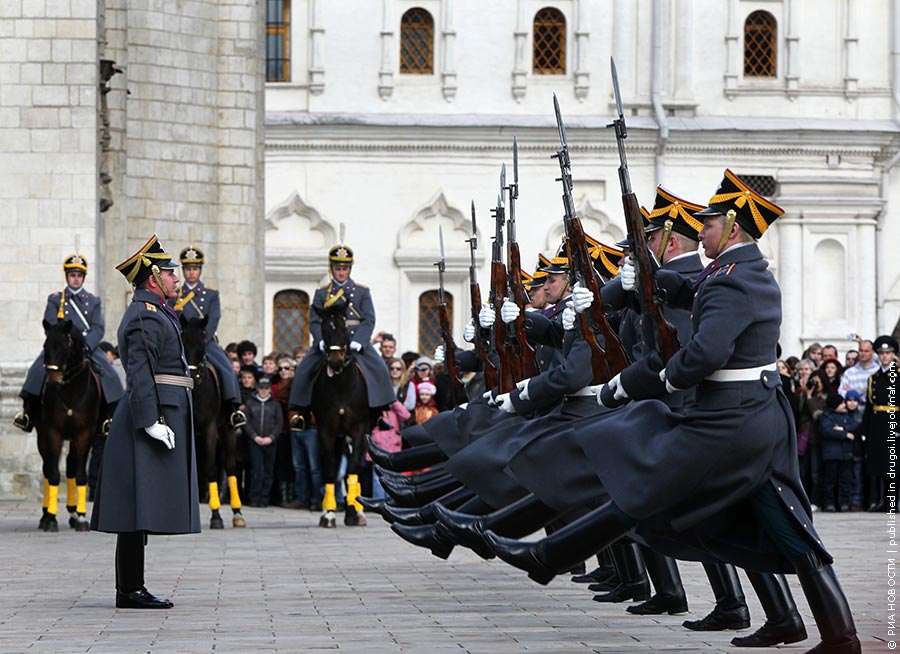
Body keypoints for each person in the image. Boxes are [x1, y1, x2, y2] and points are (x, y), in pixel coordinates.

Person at [485, 169, 859, 653]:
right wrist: (633, 278)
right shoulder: (735, 273)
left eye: (708, 224)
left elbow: (704, 354)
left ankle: (547, 555)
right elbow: (687, 291)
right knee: (783, 522)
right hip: (750, 416)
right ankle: (828, 632)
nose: (699, 231)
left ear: (734, 228)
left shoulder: (731, 280)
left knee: (645, 484)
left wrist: (655, 378)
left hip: (729, 420)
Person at [90, 234, 200, 609]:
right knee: (135, 507)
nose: (175, 279)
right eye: (170, 273)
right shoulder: (142, 315)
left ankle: (131, 587)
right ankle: (130, 589)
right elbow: (139, 371)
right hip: (148, 416)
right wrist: (151, 420)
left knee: (139, 506)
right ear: (153, 278)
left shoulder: (157, 311)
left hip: (163, 409)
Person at [15, 253, 124, 434]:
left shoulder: (93, 301)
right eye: (72, 275)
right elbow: (50, 323)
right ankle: (27, 414)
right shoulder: (55, 299)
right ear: (67, 276)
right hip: (60, 347)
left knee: (109, 374)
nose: (75, 279)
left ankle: (107, 418)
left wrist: (85, 344)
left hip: (86, 347)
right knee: (36, 370)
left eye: (79, 275)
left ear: (83, 277)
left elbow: (98, 327)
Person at [169, 246, 245, 429]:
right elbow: (172, 317)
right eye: (188, 269)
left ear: (200, 270)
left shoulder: (211, 294)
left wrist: (203, 339)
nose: (191, 273)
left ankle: (232, 408)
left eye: (195, 269)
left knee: (226, 368)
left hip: (205, 342)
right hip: (182, 342)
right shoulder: (174, 295)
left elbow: (214, 318)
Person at [860, 335, 899, 512]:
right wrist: (865, 430)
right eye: (882, 353)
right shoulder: (873, 378)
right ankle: (883, 501)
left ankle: (893, 501)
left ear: (893, 355)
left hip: (893, 422)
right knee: (880, 464)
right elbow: (870, 406)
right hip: (877, 424)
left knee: (893, 465)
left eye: (888, 353)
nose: (884, 356)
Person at [243, 375, 283, 507]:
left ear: (270, 389)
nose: (263, 391)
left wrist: (271, 437)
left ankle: (265, 498)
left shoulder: (275, 405)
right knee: (256, 471)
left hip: (271, 442)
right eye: (261, 388)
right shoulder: (250, 403)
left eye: (266, 388)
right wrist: (255, 437)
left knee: (268, 471)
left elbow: (279, 423)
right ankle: (254, 497)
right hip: (255, 442)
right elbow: (246, 422)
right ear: (257, 388)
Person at [818, 393, 858, 512]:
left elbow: (854, 425)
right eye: (841, 403)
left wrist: (842, 428)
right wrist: (845, 434)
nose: (844, 405)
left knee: (845, 480)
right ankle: (829, 503)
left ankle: (844, 503)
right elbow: (827, 431)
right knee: (830, 481)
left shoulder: (846, 415)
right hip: (831, 454)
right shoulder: (826, 416)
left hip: (845, 454)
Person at [839, 339, 879, 406]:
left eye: (866, 351)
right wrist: (857, 394)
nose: (863, 354)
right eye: (861, 350)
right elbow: (841, 391)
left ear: (872, 352)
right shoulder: (849, 372)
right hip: (854, 410)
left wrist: (851, 391)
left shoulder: (878, 371)